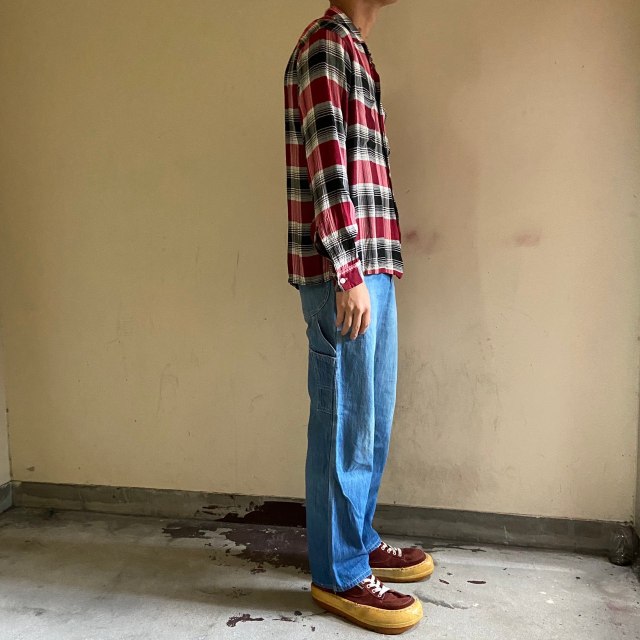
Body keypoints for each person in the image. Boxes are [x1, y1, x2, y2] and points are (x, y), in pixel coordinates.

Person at [284, 1, 434, 633]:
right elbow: (327, 170)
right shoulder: (325, 46)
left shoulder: (354, 50)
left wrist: (374, 267)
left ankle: (358, 541)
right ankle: (339, 573)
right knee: (343, 424)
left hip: (372, 268)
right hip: (343, 273)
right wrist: (347, 270)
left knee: (368, 421)